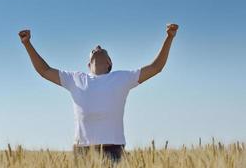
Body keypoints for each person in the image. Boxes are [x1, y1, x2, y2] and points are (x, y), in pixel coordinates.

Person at [18, 23, 179, 163]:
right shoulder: (75, 78)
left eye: (103, 49)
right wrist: (27, 44)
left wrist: (169, 38)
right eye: (95, 49)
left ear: (110, 63)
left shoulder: (122, 77)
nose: (98, 46)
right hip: (82, 152)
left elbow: (156, 67)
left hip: (114, 152)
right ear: (88, 64)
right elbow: (44, 70)